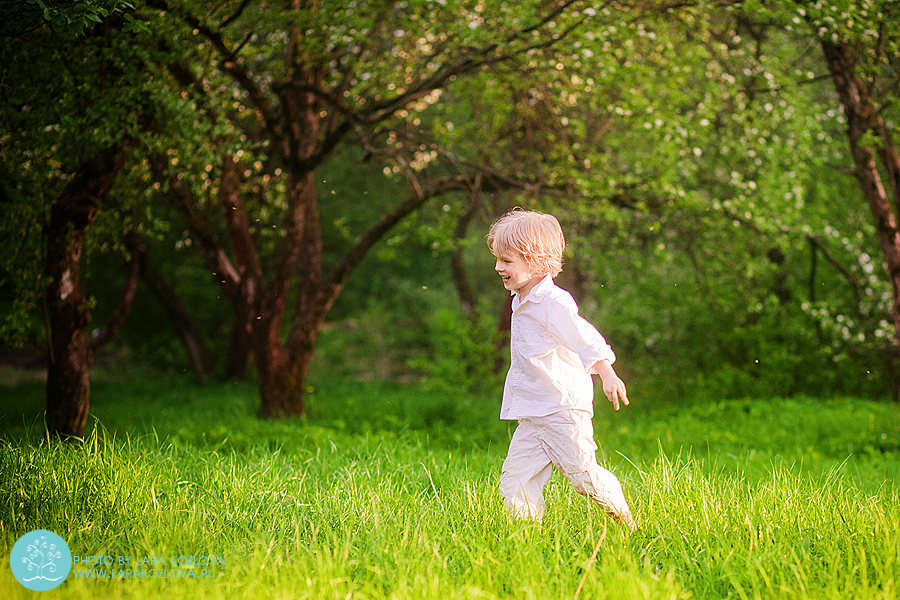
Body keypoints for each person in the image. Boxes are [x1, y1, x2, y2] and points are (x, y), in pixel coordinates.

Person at [488, 208, 636, 531]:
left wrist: (607, 373)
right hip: (534, 414)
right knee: (515, 482)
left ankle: (626, 520)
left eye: (508, 260)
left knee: (584, 478)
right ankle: (525, 538)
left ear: (536, 261)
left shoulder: (553, 302)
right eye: (498, 259)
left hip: (562, 411)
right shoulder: (520, 298)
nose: (499, 266)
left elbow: (584, 338)